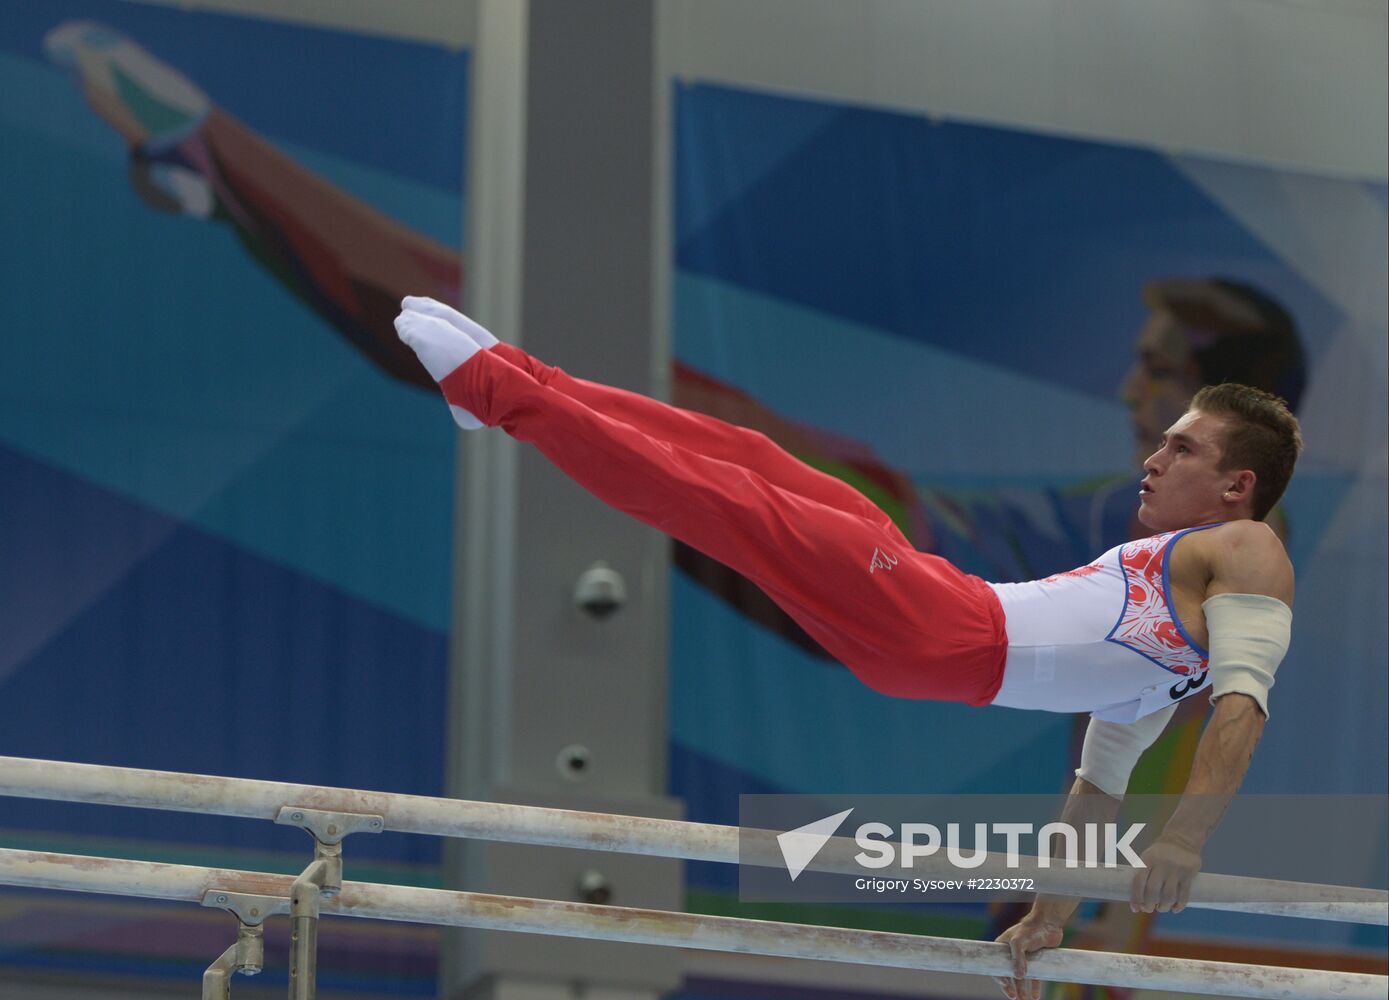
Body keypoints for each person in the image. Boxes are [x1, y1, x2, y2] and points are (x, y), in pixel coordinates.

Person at [393, 296, 1299, 999]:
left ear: (1236, 486)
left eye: (1181, 449)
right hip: (942, 600)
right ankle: (525, 377)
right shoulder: (1156, 642)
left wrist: (1183, 840)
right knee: (753, 456)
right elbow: (1097, 789)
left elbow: (1242, 709)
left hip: (940, 632)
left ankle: (492, 391)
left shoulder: (1248, 549)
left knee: (728, 504)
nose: (1152, 456)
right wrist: (1045, 918)